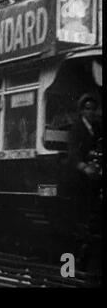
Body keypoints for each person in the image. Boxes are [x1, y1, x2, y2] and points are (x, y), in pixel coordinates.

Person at [68, 93, 102, 236]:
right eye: (88, 108)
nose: (91, 112)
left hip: (95, 167)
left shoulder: (97, 126)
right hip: (80, 171)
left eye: (93, 109)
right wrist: (84, 167)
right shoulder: (76, 128)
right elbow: (73, 153)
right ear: (82, 110)